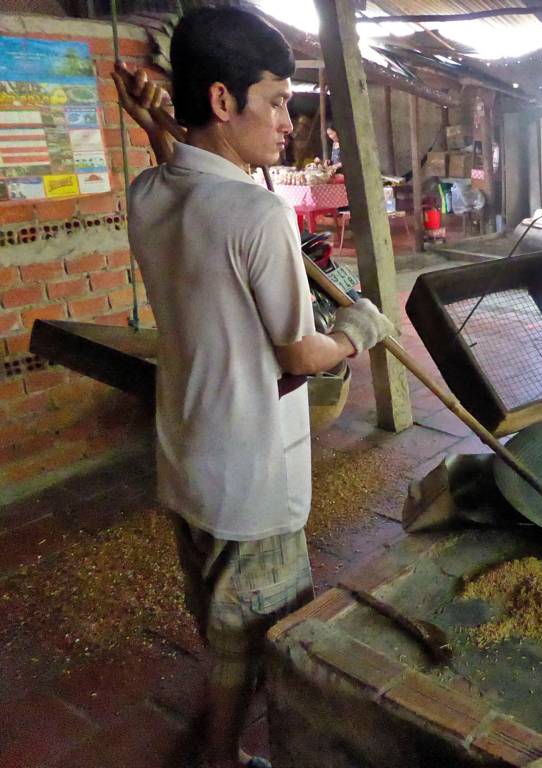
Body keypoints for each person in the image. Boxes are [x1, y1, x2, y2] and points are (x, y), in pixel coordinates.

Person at [113, 8, 394, 768]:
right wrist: (359, 330)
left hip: (188, 454)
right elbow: (301, 353)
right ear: (221, 99)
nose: (287, 122)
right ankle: (222, 757)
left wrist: (159, 128)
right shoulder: (260, 214)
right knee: (259, 637)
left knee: (218, 615)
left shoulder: (148, 192)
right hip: (251, 474)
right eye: (273, 101)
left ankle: (216, 739)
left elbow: (185, 177)